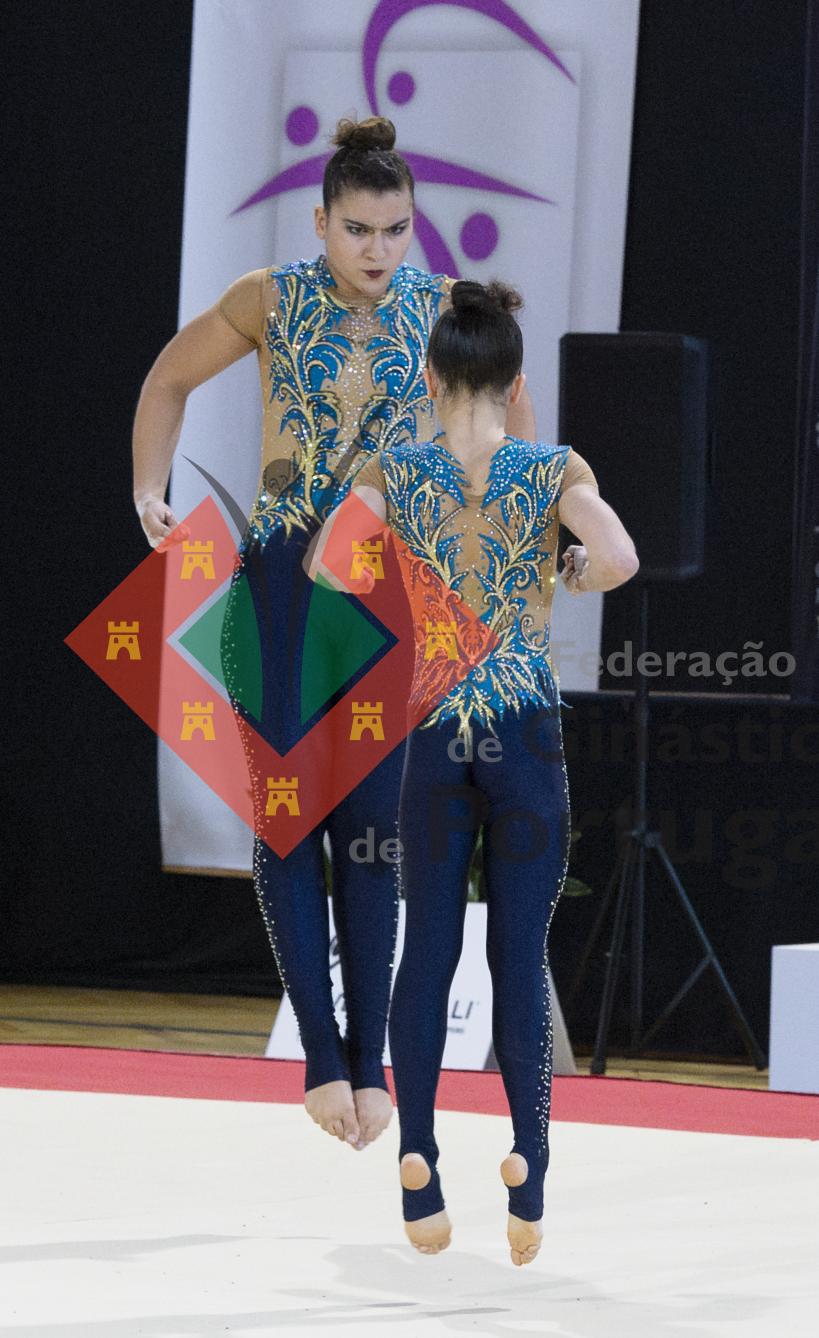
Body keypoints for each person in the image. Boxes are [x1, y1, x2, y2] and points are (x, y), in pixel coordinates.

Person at [132, 118, 537, 1152]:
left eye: (395, 229)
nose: (377, 250)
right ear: (320, 221)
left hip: (387, 588)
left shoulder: (448, 312)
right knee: (285, 819)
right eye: (357, 229)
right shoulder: (269, 299)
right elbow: (169, 379)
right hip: (280, 578)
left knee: (370, 834)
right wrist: (150, 489)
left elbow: (516, 449)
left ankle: (370, 1064)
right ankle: (321, 1058)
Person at [314, 280, 638, 1263]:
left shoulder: (396, 467)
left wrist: (401, 592)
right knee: (518, 955)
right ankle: (529, 1169)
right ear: (511, 379)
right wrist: (568, 571)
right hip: (524, 733)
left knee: (427, 954)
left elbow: (329, 564)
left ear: (431, 374)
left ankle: (416, 1154)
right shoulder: (548, 468)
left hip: (434, 735)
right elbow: (619, 553)